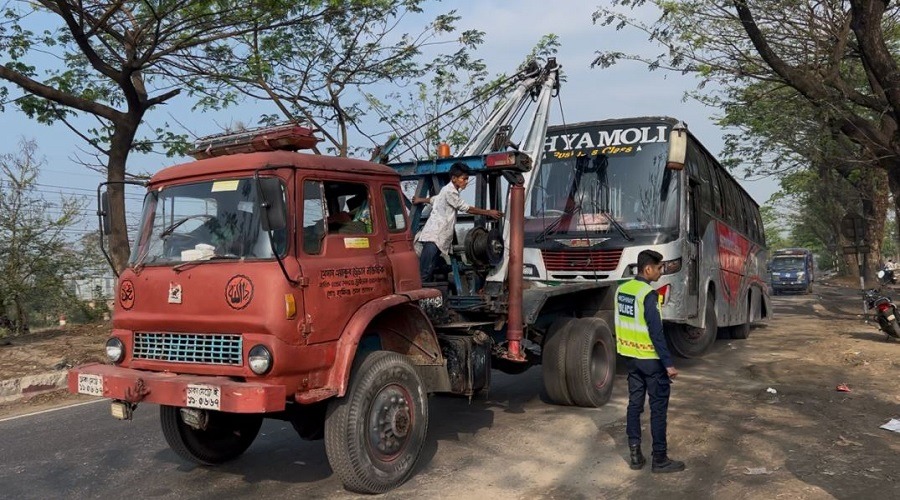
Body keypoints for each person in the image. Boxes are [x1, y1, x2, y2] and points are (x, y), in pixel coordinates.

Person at [614, 249, 685, 473]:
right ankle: (660, 459)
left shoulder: (622, 291)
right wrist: (668, 364)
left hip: (631, 359)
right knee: (658, 410)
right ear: (648, 268)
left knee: (634, 405)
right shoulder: (648, 295)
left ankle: (635, 455)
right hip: (651, 361)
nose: (661, 272)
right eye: (659, 268)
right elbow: (656, 333)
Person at [412, 162, 503, 283]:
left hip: (435, 237)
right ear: (454, 178)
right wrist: (488, 212)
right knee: (424, 273)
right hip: (435, 237)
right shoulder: (450, 192)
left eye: (467, 179)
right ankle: (422, 297)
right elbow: (466, 208)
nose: (466, 182)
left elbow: (435, 199)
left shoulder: (446, 190)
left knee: (430, 269)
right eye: (464, 179)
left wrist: (420, 200)